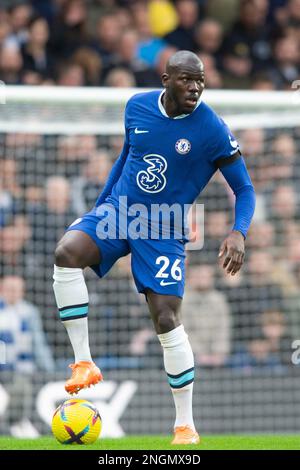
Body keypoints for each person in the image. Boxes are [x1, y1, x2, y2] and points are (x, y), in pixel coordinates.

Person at [53, 50, 256, 445]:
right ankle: (83, 363)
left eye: (200, 80)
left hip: (163, 227)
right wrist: (102, 205)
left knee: (165, 320)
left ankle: (185, 425)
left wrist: (239, 232)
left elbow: (244, 188)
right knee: (66, 253)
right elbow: (127, 157)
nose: (195, 87)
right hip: (119, 212)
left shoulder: (211, 128)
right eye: (186, 79)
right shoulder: (137, 106)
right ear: (166, 79)